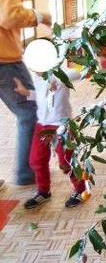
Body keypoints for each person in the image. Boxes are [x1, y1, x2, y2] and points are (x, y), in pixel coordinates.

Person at [0, 0, 52, 185]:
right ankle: (25, 172)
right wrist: (39, 16)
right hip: (4, 59)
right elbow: (9, 16)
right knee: (31, 111)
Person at [14, 62, 86, 209]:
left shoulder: (60, 74)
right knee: (36, 160)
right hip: (42, 125)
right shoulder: (36, 78)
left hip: (63, 125)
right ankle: (43, 191)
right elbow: (41, 95)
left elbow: (81, 72)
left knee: (66, 161)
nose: (34, 69)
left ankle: (81, 190)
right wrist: (27, 93)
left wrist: (58, 78)